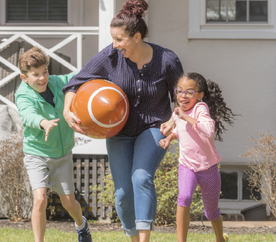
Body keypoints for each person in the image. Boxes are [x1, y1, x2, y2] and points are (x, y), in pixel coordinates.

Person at [62, 0, 184, 241]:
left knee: (141, 177)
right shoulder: (110, 56)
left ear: (136, 37)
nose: (115, 45)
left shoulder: (166, 59)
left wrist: (173, 120)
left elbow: (181, 97)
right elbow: (75, 83)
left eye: (119, 39)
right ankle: (133, 237)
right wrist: (67, 110)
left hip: (154, 127)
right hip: (119, 132)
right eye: (113, 39)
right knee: (123, 194)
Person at [14, 46, 92, 242]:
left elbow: (78, 76)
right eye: (36, 75)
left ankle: (81, 225)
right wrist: (43, 122)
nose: (42, 78)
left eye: (45, 72)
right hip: (37, 154)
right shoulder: (23, 95)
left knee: (69, 202)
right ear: (24, 78)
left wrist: (100, 69)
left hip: (62, 154)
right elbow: (28, 114)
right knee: (40, 198)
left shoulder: (57, 83)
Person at [159, 72, 237, 242]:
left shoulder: (200, 109)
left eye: (189, 92)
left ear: (200, 95)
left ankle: (220, 238)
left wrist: (184, 116)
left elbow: (208, 130)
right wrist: (168, 137)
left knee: (211, 212)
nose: (182, 96)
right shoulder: (178, 112)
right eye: (179, 91)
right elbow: (179, 130)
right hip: (187, 165)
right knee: (184, 197)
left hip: (208, 168)